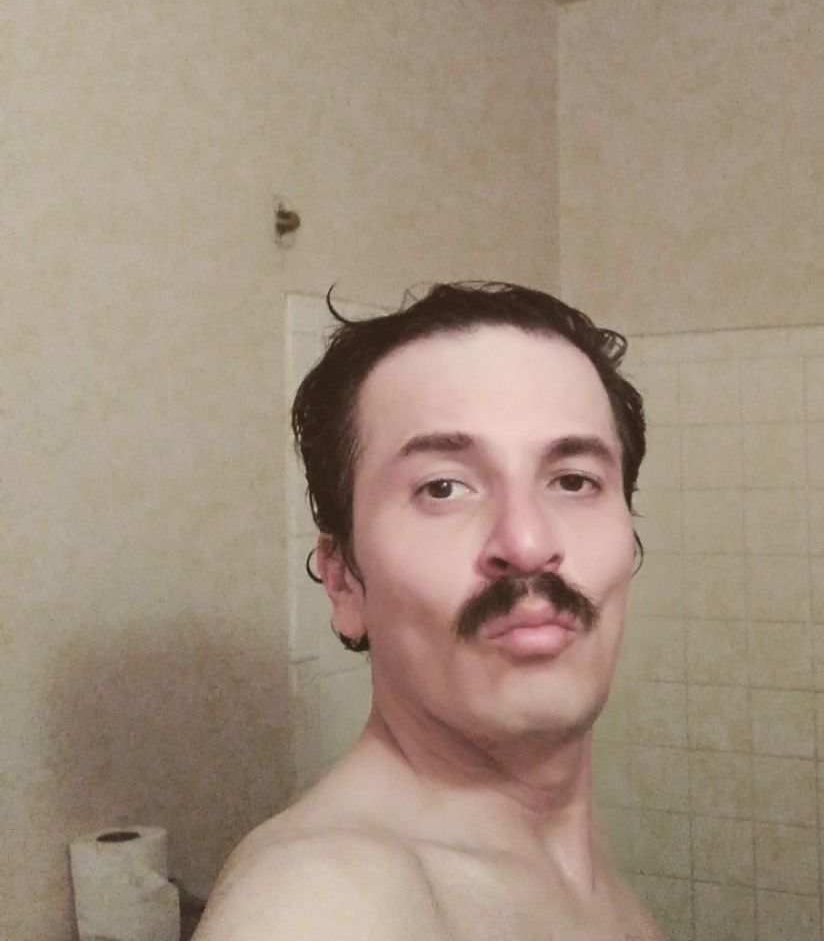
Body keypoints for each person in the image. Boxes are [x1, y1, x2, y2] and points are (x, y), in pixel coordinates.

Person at [195, 282, 662, 940]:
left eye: (572, 480)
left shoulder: (569, 851)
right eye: (443, 487)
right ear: (344, 581)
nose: (528, 543)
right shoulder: (320, 904)